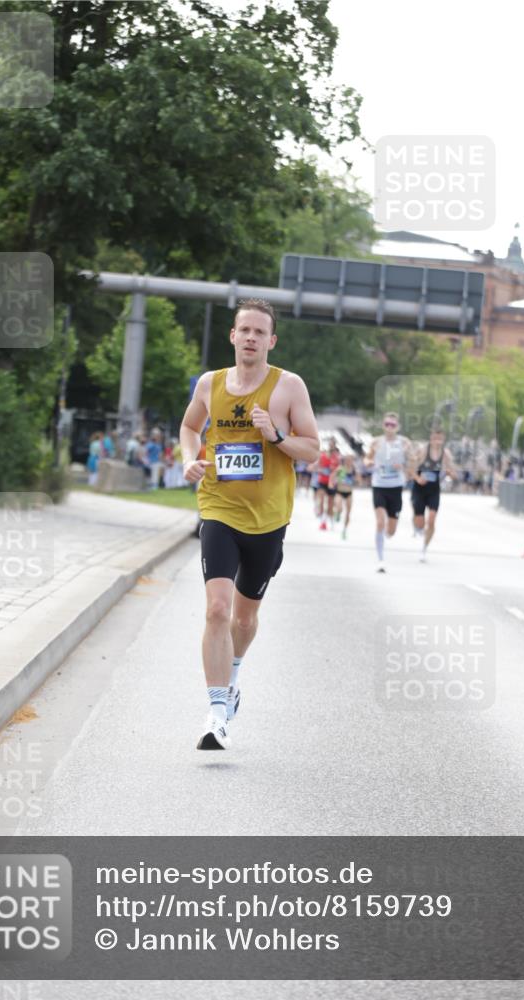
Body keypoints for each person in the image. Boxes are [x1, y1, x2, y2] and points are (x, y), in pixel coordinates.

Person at [180, 298, 320, 750]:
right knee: (217, 609)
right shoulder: (209, 384)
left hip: (268, 519)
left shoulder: (288, 387)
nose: (252, 338)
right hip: (219, 507)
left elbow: (313, 449)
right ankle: (217, 712)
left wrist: (275, 436)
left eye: (261, 332)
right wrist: (189, 459)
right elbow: (189, 429)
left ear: (271, 341)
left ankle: (233, 674)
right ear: (233, 336)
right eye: (245, 331)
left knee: (244, 617)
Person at [363, 412, 415, 573]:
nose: (389, 427)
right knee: (380, 522)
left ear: (397, 427)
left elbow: (413, 462)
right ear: (383, 426)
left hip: (396, 487)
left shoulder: (404, 443)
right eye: (387, 424)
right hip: (379, 485)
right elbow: (366, 459)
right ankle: (380, 560)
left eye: (392, 425)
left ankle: (384, 536)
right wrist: (370, 463)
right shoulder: (376, 442)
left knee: (391, 531)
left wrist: (405, 465)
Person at [411, 427, 458, 562]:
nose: (437, 441)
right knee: (420, 522)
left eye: (440, 438)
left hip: (434, 490)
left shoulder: (446, 454)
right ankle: (416, 524)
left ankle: (424, 549)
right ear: (431, 438)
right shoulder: (422, 450)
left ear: (443, 440)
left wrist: (450, 473)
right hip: (419, 489)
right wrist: (418, 478)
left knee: (431, 520)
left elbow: (454, 473)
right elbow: (411, 469)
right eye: (435, 438)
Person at [329, 452, 357, 539]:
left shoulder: (353, 469)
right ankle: (337, 513)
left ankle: (344, 530)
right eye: (347, 460)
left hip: (349, 493)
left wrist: (356, 480)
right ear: (344, 460)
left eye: (351, 460)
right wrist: (331, 483)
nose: (349, 462)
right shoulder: (340, 468)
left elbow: (359, 479)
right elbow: (332, 476)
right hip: (340, 492)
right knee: (339, 506)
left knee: (348, 513)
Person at [316, 438, 340, 530]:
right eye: (330, 444)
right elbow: (318, 467)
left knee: (330, 504)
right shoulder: (322, 455)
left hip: (331, 483)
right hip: (322, 481)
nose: (331, 446)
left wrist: (335, 474)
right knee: (321, 501)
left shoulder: (337, 457)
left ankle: (330, 521)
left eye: (333, 445)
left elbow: (339, 470)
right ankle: (322, 521)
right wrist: (322, 470)